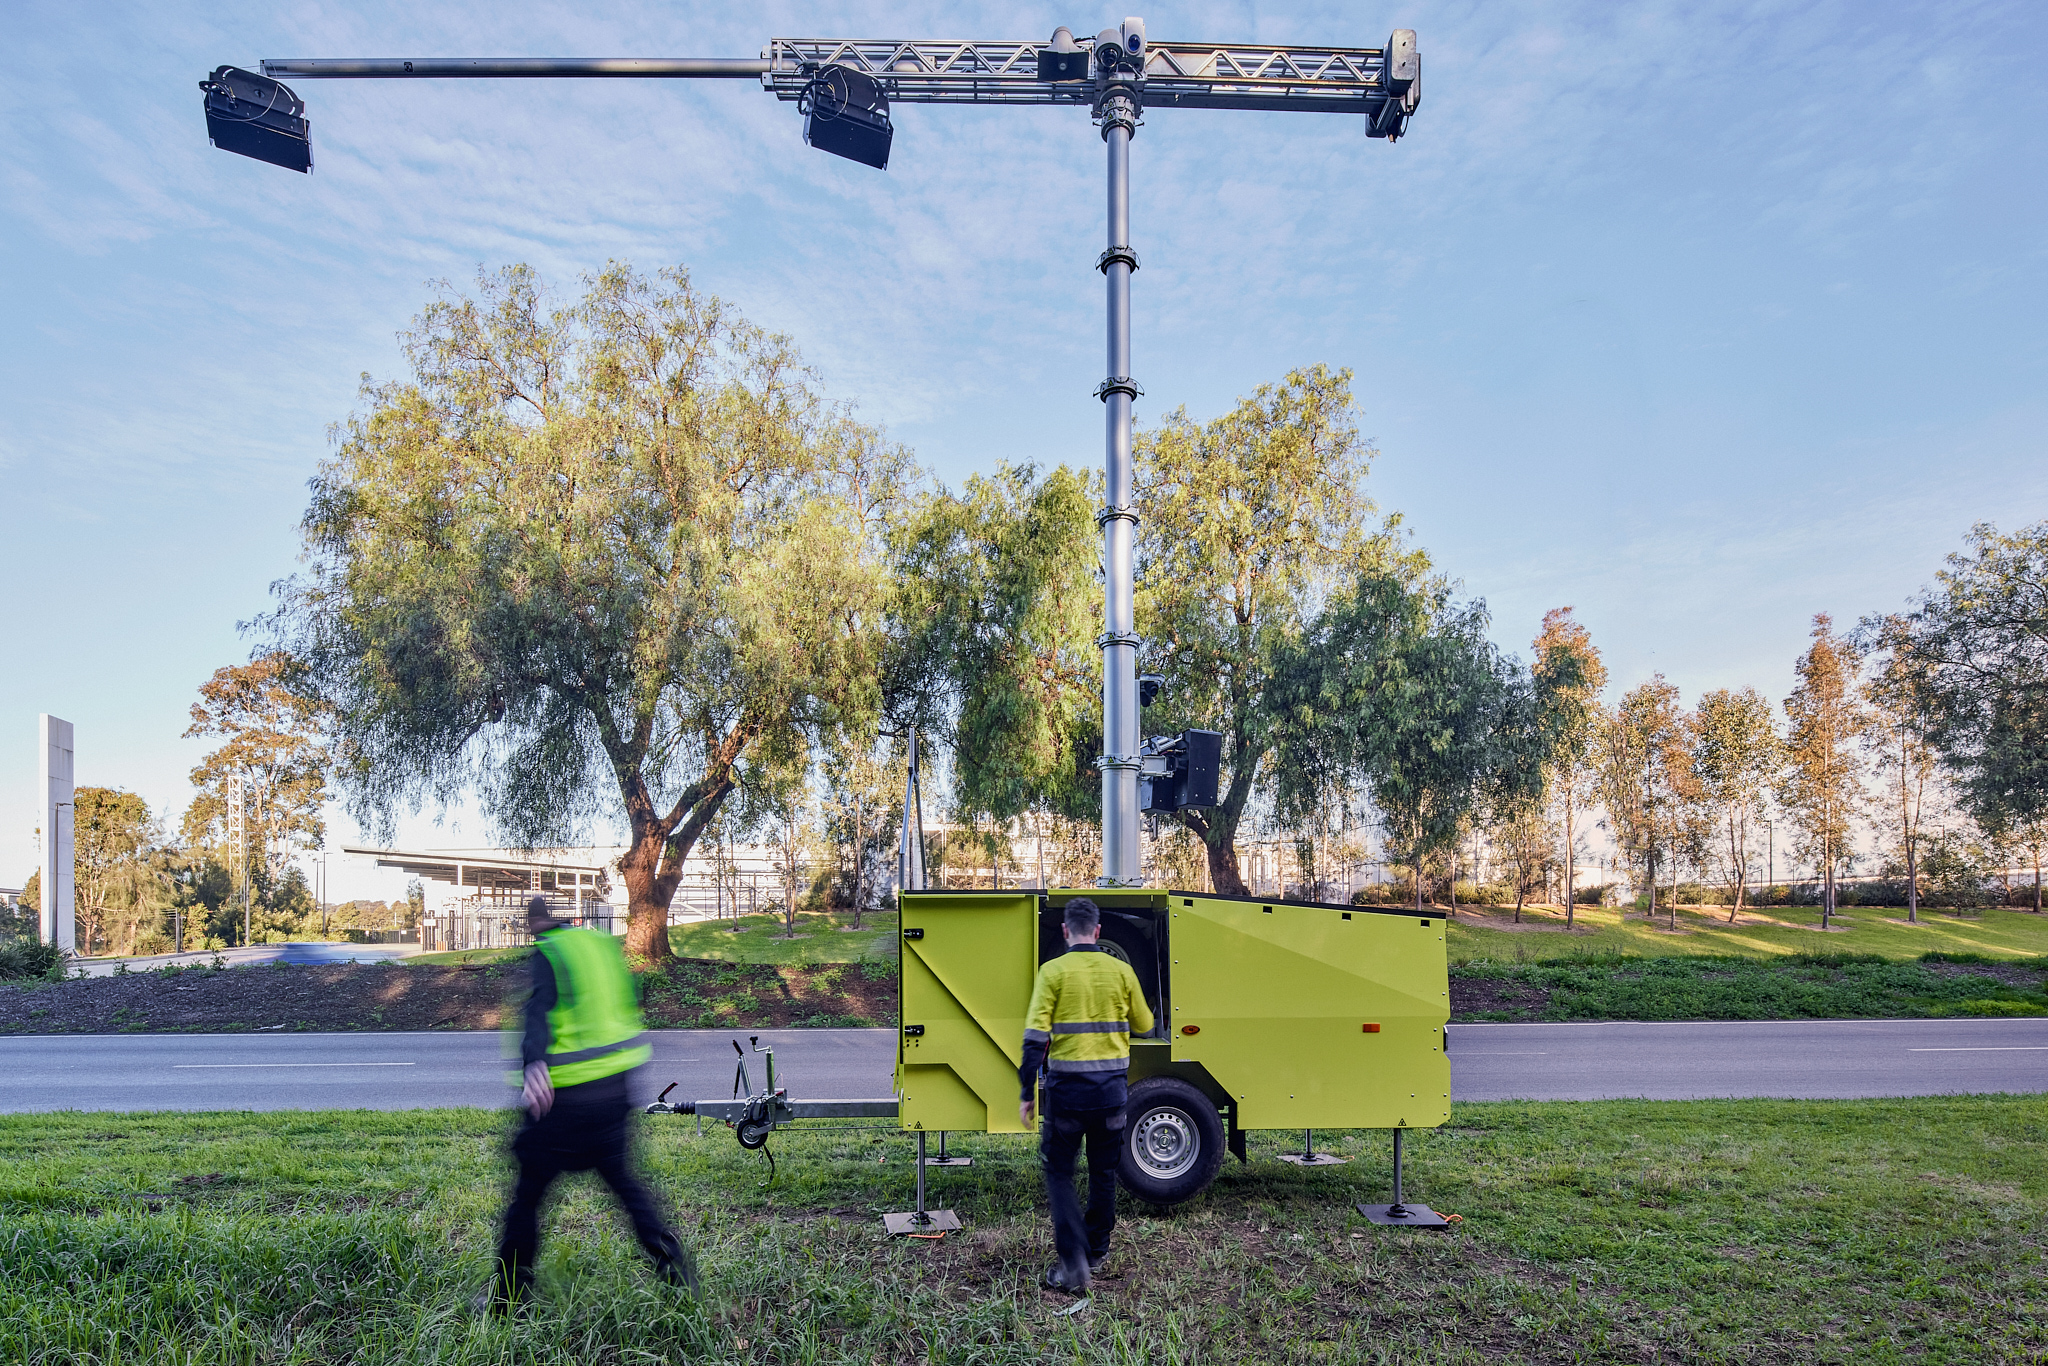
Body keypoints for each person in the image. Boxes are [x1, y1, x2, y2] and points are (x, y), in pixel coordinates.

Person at [476, 895, 698, 1314]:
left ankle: (507, 1296)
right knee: (626, 1185)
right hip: (615, 1091)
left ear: (534, 924)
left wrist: (533, 1062)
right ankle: (678, 1276)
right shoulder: (599, 946)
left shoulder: (550, 951)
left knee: (527, 1195)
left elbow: (538, 1010)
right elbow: (627, 1002)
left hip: (561, 1098)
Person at [1018, 896, 1154, 1295]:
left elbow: (1034, 1038)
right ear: (1097, 931)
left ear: (1065, 931)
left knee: (1060, 1173)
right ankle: (1095, 1251)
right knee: (1103, 1173)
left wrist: (1027, 1091)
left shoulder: (1052, 972)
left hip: (1067, 1097)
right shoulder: (1122, 971)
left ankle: (1071, 1259)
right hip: (1111, 1095)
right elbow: (1145, 1025)